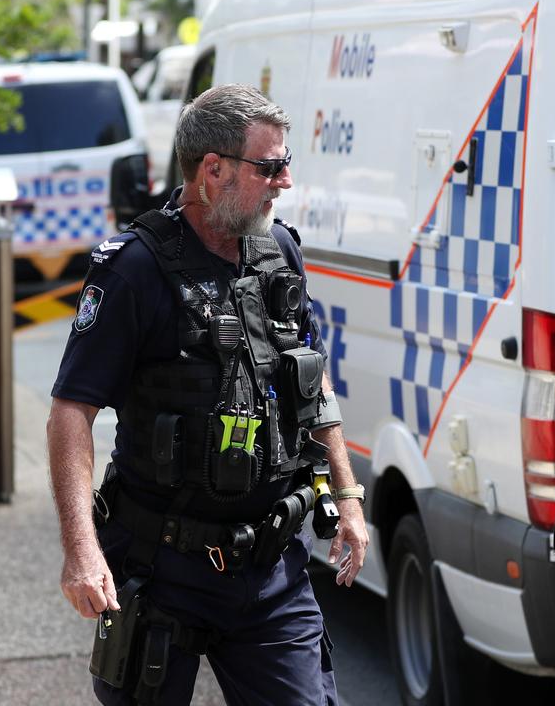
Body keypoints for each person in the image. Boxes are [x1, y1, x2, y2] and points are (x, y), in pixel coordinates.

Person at [47, 83, 368, 705]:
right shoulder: (133, 268)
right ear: (211, 171)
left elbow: (312, 377)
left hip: (272, 566)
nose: (285, 182)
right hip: (161, 565)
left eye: (287, 164)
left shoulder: (280, 253)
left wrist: (348, 496)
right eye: (269, 167)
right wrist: (81, 551)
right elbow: (72, 411)